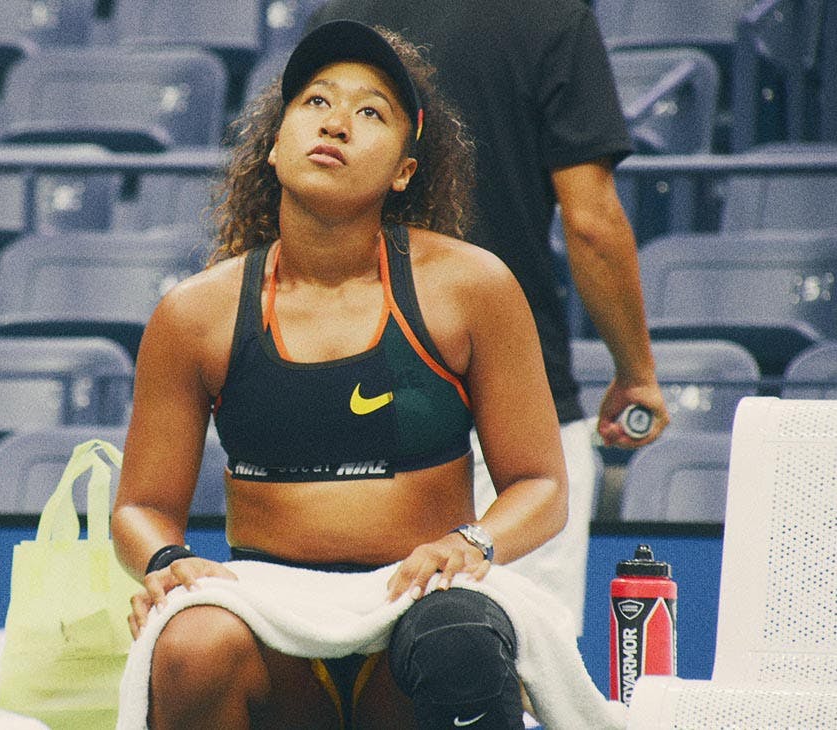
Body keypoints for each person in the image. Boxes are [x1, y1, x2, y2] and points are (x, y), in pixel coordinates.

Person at [112, 20, 568, 730]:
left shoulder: (470, 288)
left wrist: (469, 544)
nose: (336, 124)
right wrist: (166, 560)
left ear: (404, 171)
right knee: (191, 641)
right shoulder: (194, 314)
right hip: (273, 621)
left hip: (416, 605)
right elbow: (138, 507)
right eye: (315, 102)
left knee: (459, 642)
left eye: (369, 112)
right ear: (272, 144)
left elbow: (540, 487)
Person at [309, 0, 670, 635]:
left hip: (348, 396)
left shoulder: (336, 18)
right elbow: (590, 221)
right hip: (512, 405)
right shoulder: (555, 18)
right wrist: (635, 372)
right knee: (525, 660)